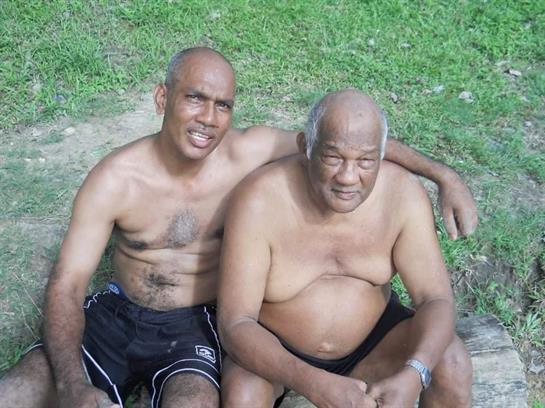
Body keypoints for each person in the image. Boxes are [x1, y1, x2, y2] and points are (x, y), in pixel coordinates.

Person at [0, 48, 475, 408]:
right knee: (15, 392)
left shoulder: (249, 155)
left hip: (192, 327)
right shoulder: (115, 178)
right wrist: (71, 386)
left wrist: (442, 175)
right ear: (163, 98)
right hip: (122, 313)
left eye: (222, 105)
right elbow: (67, 284)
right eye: (195, 98)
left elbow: (347, 142)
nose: (208, 118)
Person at [218, 90, 473, 408]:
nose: (348, 177)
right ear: (306, 147)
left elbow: (435, 299)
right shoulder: (260, 199)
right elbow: (236, 324)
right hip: (279, 355)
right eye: (333, 158)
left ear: (382, 156)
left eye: (365, 161)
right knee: (243, 395)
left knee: (453, 363)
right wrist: (313, 383)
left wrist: (415, 373)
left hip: (374, 346)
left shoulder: (402, 194)